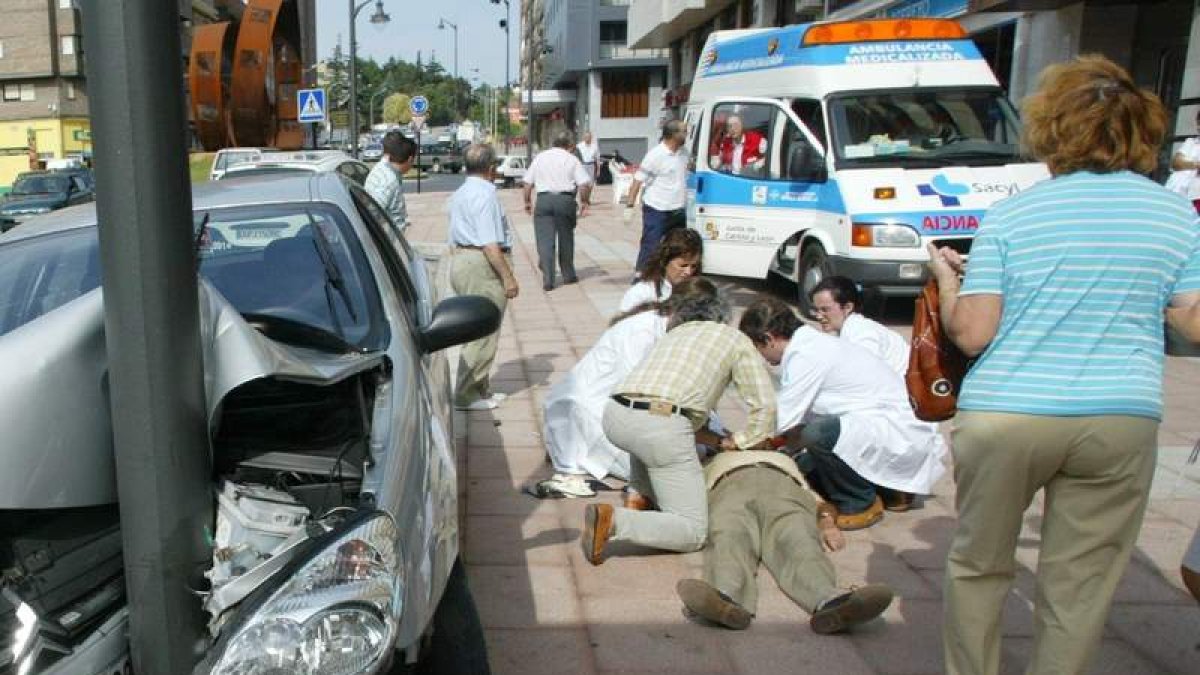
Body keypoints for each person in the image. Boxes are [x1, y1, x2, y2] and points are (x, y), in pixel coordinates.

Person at [927, 55, 1200, 675]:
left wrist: (947, 282)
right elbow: (1193, 322)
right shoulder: (1176, 216)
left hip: (1007, 416)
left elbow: (972, 334)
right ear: (1143, 131)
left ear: (1050, 131)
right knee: (1080, 587)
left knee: (979, 566)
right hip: (1119, 415)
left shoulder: (1014, 216)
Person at [581, 285, 776, 565]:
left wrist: (713, 438)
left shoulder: (675, 335)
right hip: (660, 424)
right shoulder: (733, 339)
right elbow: (765, 404)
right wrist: (745, 440)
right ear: (723, 317)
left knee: (651, 447)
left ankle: (639, 497)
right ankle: (615, 522)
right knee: (693, 530)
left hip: (616, 414)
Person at [738, 297, 946, 529]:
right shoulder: (811, 345)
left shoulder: (806, 355)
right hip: (888, 429)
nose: (761, 357)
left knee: (816, 435)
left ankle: (859, 502)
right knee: (806, 467)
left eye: (758, 348)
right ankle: (891, 489)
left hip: (896, 433)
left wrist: (743, 442)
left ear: (768, 339)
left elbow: (782, 420)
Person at [675, 449, 894, 635]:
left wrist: (828, 525)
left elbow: (822, 503)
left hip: (784, 489)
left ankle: (832, 602)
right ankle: (724, 599)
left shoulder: (786, 459)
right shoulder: (714, 458)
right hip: (729, 487)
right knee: (728, 536)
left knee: (800, 541)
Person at [538, 277, 720, 498]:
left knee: (694, 448)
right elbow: (644, 401)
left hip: (625, 408)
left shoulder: (672, 328)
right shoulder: (640, 334)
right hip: (592, 412)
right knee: (668, 465)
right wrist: (707, 436)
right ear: (677, 312)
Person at [448, 143, 520, 411]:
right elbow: (490, 245)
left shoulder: (462, 192)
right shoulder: (485, 196)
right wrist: (508, 277)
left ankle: (479, 388)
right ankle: (467, 394)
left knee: (475, 330)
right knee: (483, 331)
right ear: (491, 169)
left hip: (463, 259)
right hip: (481, 263)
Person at [523, 130, 594, 291]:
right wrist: (584, 201)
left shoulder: (540, 158)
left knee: (545, 241)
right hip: (565, 200)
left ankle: (548, 279)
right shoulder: (572, 159)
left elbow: (527, 183)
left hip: (544, 200)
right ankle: (568, 275)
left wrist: (527, 201)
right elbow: (584, 184)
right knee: (566, 238)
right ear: (569, 146)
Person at [810, 275, 909, 376]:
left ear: (848, 307)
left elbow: (864, 375)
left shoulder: (861, 333)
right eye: (816, 310)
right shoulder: (849, 329)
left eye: (825, 310)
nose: (818, 316)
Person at [626, 120, 690, 274]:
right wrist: (629, 206)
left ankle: (671, 277)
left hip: (678, 209)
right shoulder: (655, 155)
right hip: (657, 209)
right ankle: (641, 276)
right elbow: (638, 179)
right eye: (684, 131)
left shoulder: (684, 153)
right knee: (651, 245)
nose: (687, 134)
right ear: (673, 134)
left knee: (679, 246)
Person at [619, 228, 703, 312]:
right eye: (683, 266)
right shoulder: (641, 294)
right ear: (665, 261)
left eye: (694, 266)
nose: (688, 272)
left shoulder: (700, 295)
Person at [363, 131, 417, 232]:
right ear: (410, 159)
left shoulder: (390, 172)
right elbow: (373, 214)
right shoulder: (388, 181)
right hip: (387, 239)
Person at [1165, 109, 1200, 212]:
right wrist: (1196, 165)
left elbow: (1181, 163)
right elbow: (1176, 163)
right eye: (1198, 123)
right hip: (1175, 191)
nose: (1198, 127)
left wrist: (1186, 164)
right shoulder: (1190, 142)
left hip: (1195, 196)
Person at [577, 131, 600, 197]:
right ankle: (583, 198)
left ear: (591, 138)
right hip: (582, 166)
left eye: (589, 137)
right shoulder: (579, 146)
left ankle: (587, 198)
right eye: (586, 137)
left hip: (591, 166)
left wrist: (598, 170)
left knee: (590, 184)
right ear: (583, 137)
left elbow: (597, 159)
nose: (587, 138)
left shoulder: (594, 147)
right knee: (583, 183)